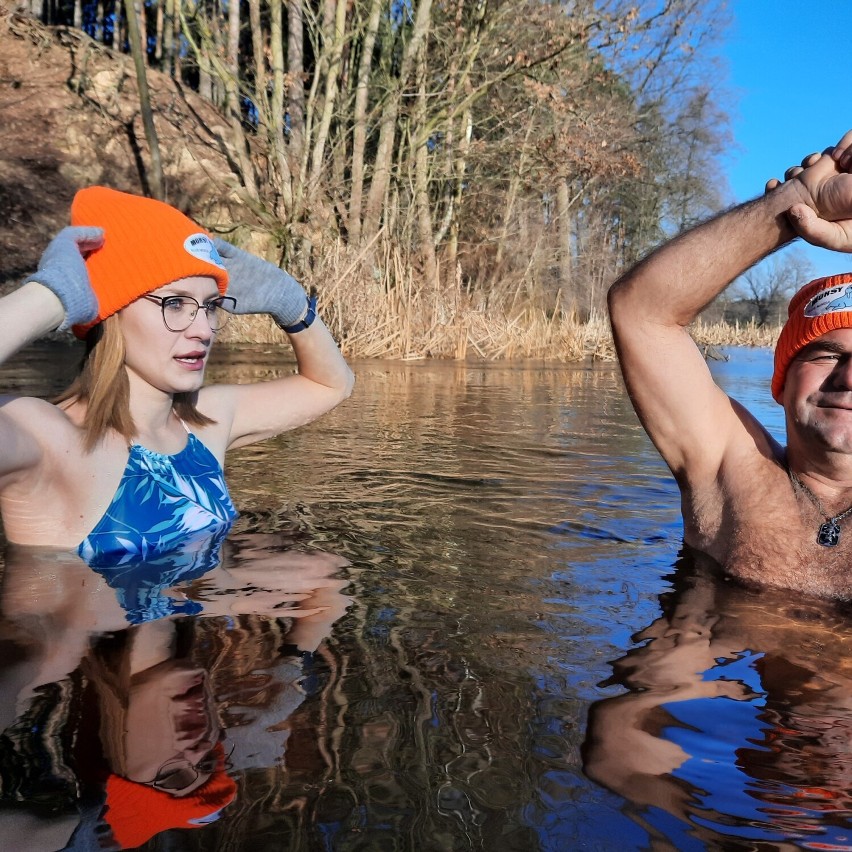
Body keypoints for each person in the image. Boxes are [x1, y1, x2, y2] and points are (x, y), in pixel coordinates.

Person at [0, 186, 354, 562]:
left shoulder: (203, 426)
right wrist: (50, 298)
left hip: (192, 612)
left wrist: (292, 305)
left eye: (210, 306)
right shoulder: (46, 439)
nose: (202, 328)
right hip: (89, 616)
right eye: (175, 303)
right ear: (111, 311)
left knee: (319, 571)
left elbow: (333, 384)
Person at [607, 129, 852, 600]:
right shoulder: (727, 469)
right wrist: (800, 200)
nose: (849, 377)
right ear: (781, 382)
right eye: (827, 354)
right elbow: (643, 311)